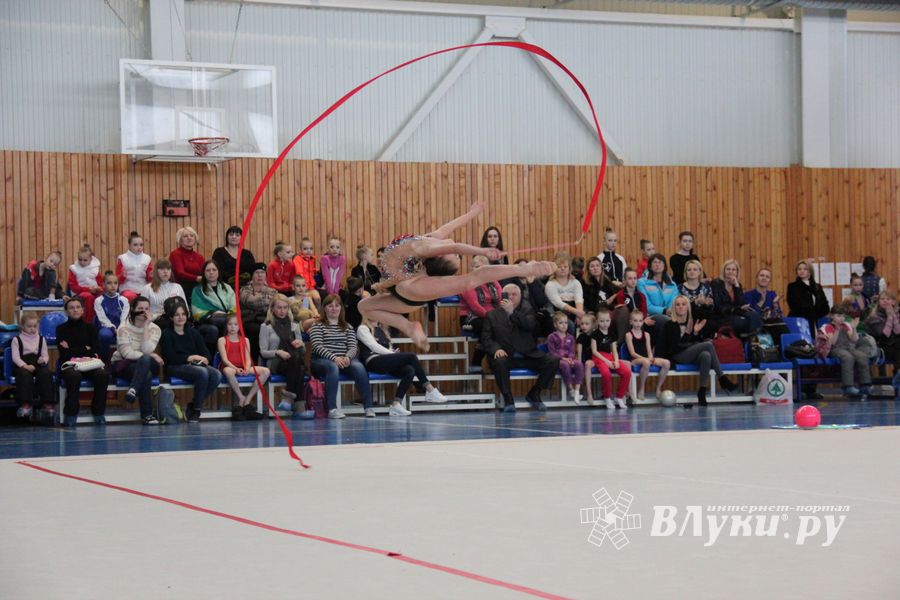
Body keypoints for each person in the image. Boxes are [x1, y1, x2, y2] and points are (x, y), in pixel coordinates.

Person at [360, 202, 553, 350]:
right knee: (364, 306)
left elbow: (455, 247)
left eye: (455, 257)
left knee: (471, 279)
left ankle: (524, 270)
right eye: (458, 257)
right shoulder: (429, 242)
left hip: (410, 287)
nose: (457, 253)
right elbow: (448, 230)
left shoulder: (425, 247)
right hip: (403, 285)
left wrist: (484, 251)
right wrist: (472, 214)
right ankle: (408, 326)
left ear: (439, 256)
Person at [481, 283, 559, 413]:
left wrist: (512, 313)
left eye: (514, 294)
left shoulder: (528, 311)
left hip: (528, 355)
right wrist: (496, 349)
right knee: (499, 362)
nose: (511, 297)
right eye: (508, 294)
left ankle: (535, 393)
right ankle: (508, 399)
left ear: (520, 296)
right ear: (502, 296)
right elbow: (486, 338)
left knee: (553, 361)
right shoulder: (492, 315)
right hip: (506, 355)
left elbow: (530, 326)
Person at [357, 316, 447, 416]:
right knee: (411, 356)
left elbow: (388, 350)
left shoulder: (383, 330)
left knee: (409, 370)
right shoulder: (363, 328)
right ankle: (429, 389)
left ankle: (396, 404)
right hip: (373, 361)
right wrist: (393, 354)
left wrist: (393, 352)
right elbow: (374, 346)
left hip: (385, 361)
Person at [659, 295, 737, 406]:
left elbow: (694, 343)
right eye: (678, 305)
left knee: (706, 355)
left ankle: (702, 392)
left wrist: (695, 333)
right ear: (674, 308)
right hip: (676, 355)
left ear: (688, 307)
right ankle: (723, 379)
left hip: (689, 354)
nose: (681, 307)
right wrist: (687, 333)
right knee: (708, 345)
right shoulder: (670, 324)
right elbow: (677, 347)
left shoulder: (691, 322)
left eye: (683, 304)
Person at [309, 294, 372, 419]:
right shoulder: (317, 325)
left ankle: (368, 407)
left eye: (337, 306)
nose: (334, 308)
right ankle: (332, 409)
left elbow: (354, 347)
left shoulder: (347, 326)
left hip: (344, 360)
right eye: (330, 306)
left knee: (358, 366)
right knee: (333, 367)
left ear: (341, 308)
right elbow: (317, 346)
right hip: (322, 361)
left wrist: (348, 357)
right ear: (324, 308)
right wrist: (334, 358)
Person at [160, 302, 222, 423]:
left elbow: (206, 354)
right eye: (177, 315)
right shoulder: (167, 334)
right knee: (202, 372)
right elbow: (169, 358)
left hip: (194, 366)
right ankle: (197, 411)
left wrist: (204, 359)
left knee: (216, 374)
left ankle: (193, 405)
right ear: (171, 317)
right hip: (174, 366)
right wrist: (190, 358)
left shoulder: (193, 332)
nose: (181, 317)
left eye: (183, 314)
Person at [56, 297, 110, 426]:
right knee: (73, 376)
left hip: (90, 364)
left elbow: (95, 350)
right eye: (71, 308)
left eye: (78, 307)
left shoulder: (91, 328)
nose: (75, 310)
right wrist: (85, 348)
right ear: (66, 312)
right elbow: (64, 353)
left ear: (83, 310)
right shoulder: (61, 329)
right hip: (70, 365)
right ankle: (71, 413)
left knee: (102, 375)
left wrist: (73, 349)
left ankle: (98, 412)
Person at [111, 297, 163, 425]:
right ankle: (147, 415)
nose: (144, 312)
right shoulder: (123, 327)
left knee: (145, 360)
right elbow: (127, 353)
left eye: (146, 309)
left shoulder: (155, 329)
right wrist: (152, 356)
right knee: (146, 373)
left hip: (146, 364)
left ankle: (133, 389)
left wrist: (146, 326)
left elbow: (146, 349)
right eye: (140, 309)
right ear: (133, 309)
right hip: (124, 364)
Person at [786, 260, 829, 400]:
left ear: (810, 272)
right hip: (800, 324)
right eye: (799, 269)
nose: (802, 271)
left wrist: (813, 312)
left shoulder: (817, 287)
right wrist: (811, 310)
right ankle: (801, 387)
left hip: (814, 323)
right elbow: (796, 305)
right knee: (803, 352)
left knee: (815, 352)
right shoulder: (793, 287)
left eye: (805, 269)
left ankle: (812, 388)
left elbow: (825, 306)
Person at [260, 294, 309, 414]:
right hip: (276, 363)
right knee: (300, 367)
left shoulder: (294, 326)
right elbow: (263, 352)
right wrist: (278, 352)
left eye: (285, 308)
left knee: (299, 363)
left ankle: (288, 400)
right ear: (272, 309)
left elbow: (303, 352)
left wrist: (301, 345)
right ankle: (299, 408)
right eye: (279, 308)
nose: (282, 311)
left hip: (293, 361)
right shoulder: (266, 326)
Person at [217, 314, 267, 421]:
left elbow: (248, 358)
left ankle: (248, 399)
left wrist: (246, 368)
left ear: (240, 327)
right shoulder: (222, 340)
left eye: (235, 324)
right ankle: (241, 397)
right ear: (226, 326)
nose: (233, 327)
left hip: (244, 366)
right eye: (230, 324)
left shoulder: (245, 340)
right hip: (230, 367)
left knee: (266, 371)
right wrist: (236, 369)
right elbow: (224, 360)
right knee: (228, 371)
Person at [459, 255, 502, 369]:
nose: (480, 270)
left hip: (491, 316)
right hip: (471, 317)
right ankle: (478, 361)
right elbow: (475, 306)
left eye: (484, 267)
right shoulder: (467, 283)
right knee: (489, 327)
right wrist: (492, 317)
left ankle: (495, 362)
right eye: (477, 267)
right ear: (472, 268)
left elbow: (500, 300)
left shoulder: (494, 282)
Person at [820, 305, 872, 398]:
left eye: (843, 316)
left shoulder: (846, 326)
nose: (842, 318)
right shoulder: (828, 327)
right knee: (848, 357)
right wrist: (837, 330)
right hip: (835, 349)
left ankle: (865, 385)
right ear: (832, 316)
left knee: (862, 356)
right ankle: (848, 386)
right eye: (838, 316)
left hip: (848, 347)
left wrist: (854, 328)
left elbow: (854, 339)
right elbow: (832, 342)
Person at [11, 312, 54, 420]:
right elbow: (15, 358)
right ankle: (25, 404)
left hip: (37, 364)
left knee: (46, 373)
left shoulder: (41, 339)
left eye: (35, 326)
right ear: (22, 326)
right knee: (24, 375)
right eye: (29, 326)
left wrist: (43, 360)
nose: (32, 329)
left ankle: (47, 403)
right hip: (23, 364)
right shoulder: (17, 340)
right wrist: (25, 366)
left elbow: (45, 356)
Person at [587, 307, 631, 410]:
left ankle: (619, 397)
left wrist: (615, 360)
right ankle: (607, 397)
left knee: (627, 372)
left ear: (610, 321)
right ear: (597, 322)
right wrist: (606, 361)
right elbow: (594, 351)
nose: (605, 323)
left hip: (610, 356)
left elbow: (614, 350)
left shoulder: (612, 334)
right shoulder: (595, 334)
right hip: (599, 357)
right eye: (602, 321)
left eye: (607, 321)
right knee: (606, 373)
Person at [191, 260, 236, 356]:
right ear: (204, 273)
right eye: (208, 270)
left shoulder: (227, 288)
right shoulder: (197, 290)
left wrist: (227, 315)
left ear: (218, 272)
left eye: (214, 270)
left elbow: (234, 306)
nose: (211, 272)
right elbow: (196, 313)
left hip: (226, 319)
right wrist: (214, 313)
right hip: (205, 322)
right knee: (213, 329)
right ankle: (210, 358)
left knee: (231, 323)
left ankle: (231, 356)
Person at [624, 309, 670, 401]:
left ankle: (658, 388)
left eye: (640, 321)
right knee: (646, 362)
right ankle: (641, 389)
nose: (638, 323)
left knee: (667, 363)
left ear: (643, 321)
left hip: (646, 359)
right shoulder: (628, 335)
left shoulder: (646, 334)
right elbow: (632, 353)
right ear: (631, 322)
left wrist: (650, 357)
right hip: (635, 360)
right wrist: (647, 359)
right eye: (635, 321)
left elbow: (649, 350)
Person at [710, 259, 762, 336]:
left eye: (733, 270)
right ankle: (748, 339)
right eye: (728, 269)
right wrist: (736, 309)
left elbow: (741, 303)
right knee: (743, 322)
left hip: (736, 313)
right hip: (722, 315)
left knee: (755, 316)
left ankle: (752, 340)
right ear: (723, 271)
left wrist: (736, 286)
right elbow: (718, 306)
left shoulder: (737, 285)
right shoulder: (716, 283)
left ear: (737, 272)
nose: (731, 271)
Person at [864, 291, 899, 394]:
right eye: (882, 299)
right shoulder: (873, 316)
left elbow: (898, 331)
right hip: (881, 347)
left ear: (893, 302)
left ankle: (898, 376)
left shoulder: (898, 313)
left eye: (888, 299)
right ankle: (898, 378)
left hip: (895, 346)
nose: (885, 302)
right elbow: (885, 334)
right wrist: (889, 317)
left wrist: (894, 316)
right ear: (878, 302)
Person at [238, 263, 276, 360]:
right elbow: (250, 301)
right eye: (257, 273)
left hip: (266, 319)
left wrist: (258, 298)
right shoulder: (244, 289)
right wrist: (266, 300)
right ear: (252, 276)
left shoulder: (273, 291)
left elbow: (274, 305)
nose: (260, 275)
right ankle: (253, 361)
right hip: (248, 320)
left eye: (262, 272)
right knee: (255, 329)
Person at [547, 311, 584, 404]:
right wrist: (564, 359)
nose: (564, 325)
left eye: (566, 323)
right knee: (565, 365)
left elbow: (572, 351)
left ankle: (577, 390)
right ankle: (571, 389)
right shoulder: (551, 337)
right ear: (555, 325)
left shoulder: (571, 337)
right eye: (561, 323)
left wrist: (571, 358)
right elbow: (552, 353)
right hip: (558, 360)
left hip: (569, 359)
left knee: (579, 364)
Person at [512, 258, 553, 336]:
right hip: (519, 313)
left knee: (549, 322)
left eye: (526, 267)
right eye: (521, 267)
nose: (524, 269)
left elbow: (541, 302)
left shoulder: (535, 281)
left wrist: (532, 283)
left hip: (535, 313)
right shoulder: (512, 281)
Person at [95, 270, 129, 360]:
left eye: (115, 283)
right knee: (104, 335)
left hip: (121, 326)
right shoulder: (99, 300)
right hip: (106, 327)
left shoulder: (124, 300)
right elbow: (102, 318)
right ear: (103, 285)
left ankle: (124, 361)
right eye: (109, 283)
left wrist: (120, 328)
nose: (113, 285)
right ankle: (104, 360)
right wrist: (113, 328)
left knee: (129, 333)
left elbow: (124, 317)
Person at [140, 259, 187, 323]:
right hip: (156, 321)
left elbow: (185, 308)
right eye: (162, 269)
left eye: (168, 269)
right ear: (156, 271)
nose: (165, 271)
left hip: (177, 321)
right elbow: (142, 312)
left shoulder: (177, 287)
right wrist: (156, 316)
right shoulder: (147, 288)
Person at [544, 254, 585, 330]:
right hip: (557, 313)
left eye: (565, 267)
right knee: (569, 324)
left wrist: (579, 314)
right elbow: (558, 303)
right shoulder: (550, 285)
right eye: (559, 267)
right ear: (554, 269)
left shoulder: (575, 282)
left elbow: (579, 299)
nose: (562, 269)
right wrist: (577, 312)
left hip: (575, 310)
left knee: (588, 321)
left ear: (570, 269)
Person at [679, 259, 717, 335]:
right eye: (689, 270)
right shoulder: (680, 288)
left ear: (700, 272)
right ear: (685, 273)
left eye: (695, 269)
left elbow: (711, 307)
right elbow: (680, 308)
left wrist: (708, 303)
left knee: (713, 319)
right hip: (689, 316)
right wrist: (695, 302)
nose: (692, 272)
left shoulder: (706, 287)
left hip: (705, 316)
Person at [67, 244, 103, 323]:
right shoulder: (74, 269)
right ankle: (87, 322)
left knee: (102, 299)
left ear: (90, 259)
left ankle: (100, 322)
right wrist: (89, 290)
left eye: (85, 260)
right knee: (88, 296)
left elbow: (101, 284)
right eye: (80, 259)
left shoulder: (95, 269)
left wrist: (98, 289)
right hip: (79, 294)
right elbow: (74, 287)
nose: (82, 262)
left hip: (94, 292)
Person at [611, 268, 649, 341]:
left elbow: (644, 311)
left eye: (635, 278)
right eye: (630, 278)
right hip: (628, 321)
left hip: (640, 321)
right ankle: (622, 342)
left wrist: (642, 319)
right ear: (625, 281)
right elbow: (623, 312)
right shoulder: (620, 295)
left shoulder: (641, 296)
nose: (633, 281)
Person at [169, 226, 205, 302]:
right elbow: (180, 273)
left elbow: (204, 273)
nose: (189, 238)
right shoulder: (175, 254)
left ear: (195, 238)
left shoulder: (200, 257)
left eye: (192, 236)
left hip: (198, 290)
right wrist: (196, 278)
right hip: (180, 290)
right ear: (180, 240)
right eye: (185, 236)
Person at [116, 231, 153, 302]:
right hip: (127, 288)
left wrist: (151, 277)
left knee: (150, 296)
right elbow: (117, 279)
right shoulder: (123, 258)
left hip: (143, 288)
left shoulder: (147, 258)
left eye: (141, 245)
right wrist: (122, 276)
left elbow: (149, 278)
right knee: (130, 296)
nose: (139, 247)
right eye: (135, 245)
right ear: (129, 246)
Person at [575, 312, 599, 406]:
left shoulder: (596, 335)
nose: (583, 326)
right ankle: (587, 394)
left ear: (593, 325)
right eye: (582, 324)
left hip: (596, 359)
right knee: (584, 367)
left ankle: (597, 394)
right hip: (586, 361)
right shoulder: (581, 337)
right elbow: (579, 353)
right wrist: (580, 364)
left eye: (586, 324)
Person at [292, 237, 320, 303]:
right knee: (306, 301)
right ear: (300, 250)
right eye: (305, 249)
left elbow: (311, 271)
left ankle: (317, 313)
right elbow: (300, 274)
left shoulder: (312, 259)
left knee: (317, 298)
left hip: (311, 287)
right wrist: (304, 287)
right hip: (301, 287)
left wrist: (316, 270)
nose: (308, 251)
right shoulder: (297, 259)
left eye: (311, 248)